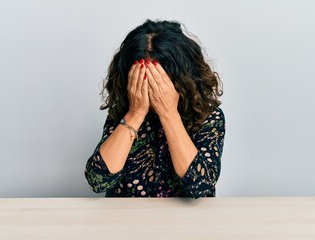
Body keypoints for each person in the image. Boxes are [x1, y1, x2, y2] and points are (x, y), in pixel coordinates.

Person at [84, 19, 225, 199]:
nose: (152, 89)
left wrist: (168, 113)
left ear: (184, 78)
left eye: (159, 79)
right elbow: (97, 180)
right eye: (143, 78)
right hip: (129, 221)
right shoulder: (123, 111)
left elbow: (200, 188)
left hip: (185, 223)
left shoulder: (208, 116)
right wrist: (135, 114)